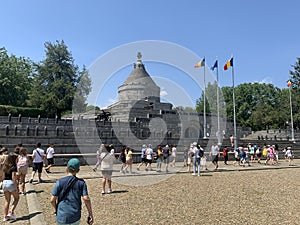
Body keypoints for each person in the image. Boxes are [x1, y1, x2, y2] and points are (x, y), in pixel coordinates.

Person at [50, 158, 94, 225]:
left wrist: (56, 209)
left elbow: (52, 200)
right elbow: (86, 199)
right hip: (75, 215)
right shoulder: (81, 183)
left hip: (62, 215)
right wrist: (90, 214)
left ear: (66, 169)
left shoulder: (59, 182)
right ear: (78, 170)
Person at [2, 153, 19, 221]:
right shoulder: (14, 167)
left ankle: (5, 216)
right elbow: (13, 177)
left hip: (4, 183)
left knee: (7, 200)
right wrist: (16, 186)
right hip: (10, 183)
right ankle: (11, 212)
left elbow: (3, 177)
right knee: (16, 198)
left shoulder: (5, 166)